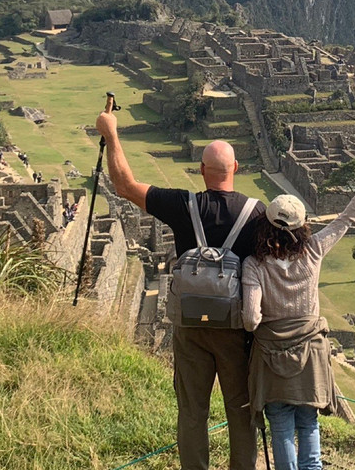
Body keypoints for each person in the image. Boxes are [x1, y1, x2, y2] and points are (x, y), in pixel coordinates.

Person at [96, 100, 264, 470]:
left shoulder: (183, 205)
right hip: (236, 330)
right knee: (241, 407)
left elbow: (124, 185)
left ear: (202, 170)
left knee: (192, 410)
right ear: (235, 168)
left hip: (190, 324)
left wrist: (111, 134)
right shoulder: (257, 214)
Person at [242, 152, 355, 470]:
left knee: (282, 426)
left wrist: (266, 322)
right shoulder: (313, 250)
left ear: (265, 226)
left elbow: (250, 319)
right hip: (311, 353)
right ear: (302, 225)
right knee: (308, 422)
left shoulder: (253, 265)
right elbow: (347, 218)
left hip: (272, 356)